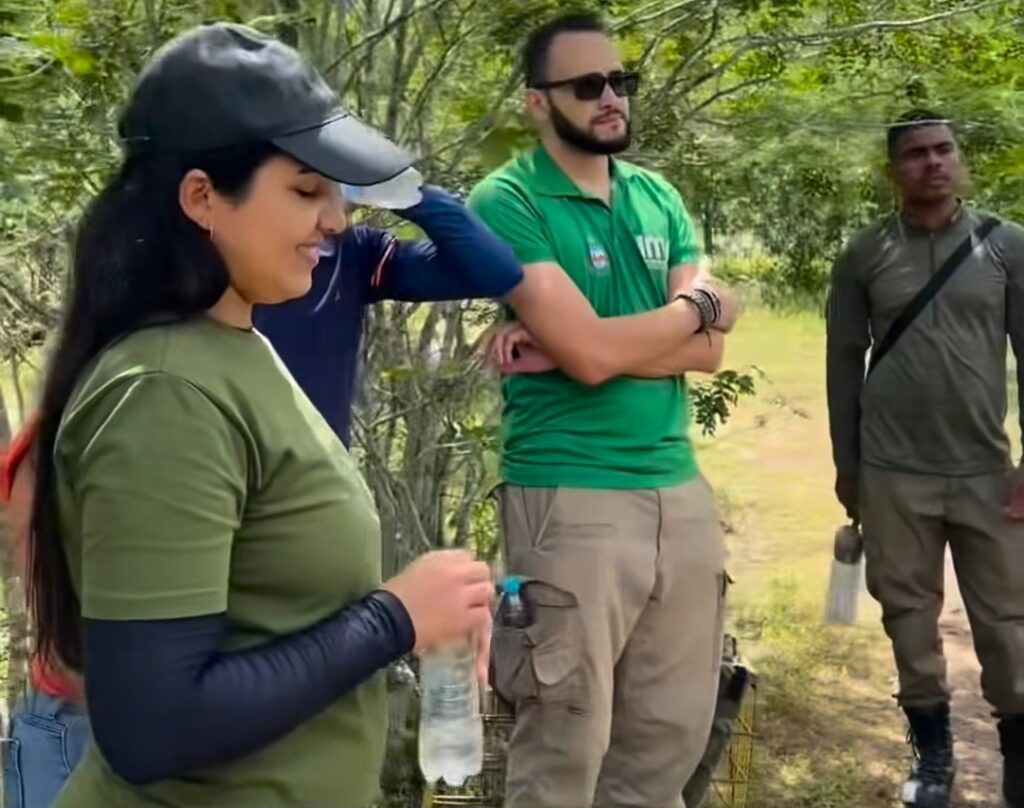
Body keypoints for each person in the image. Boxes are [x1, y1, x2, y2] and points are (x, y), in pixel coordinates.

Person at [25, 22, 497, 807]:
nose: (337, 222)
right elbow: (153, 728)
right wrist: (394, 619)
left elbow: (268, 608)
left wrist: (419, 610)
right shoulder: (165, 391)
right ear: (203, 198)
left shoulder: (238, 344)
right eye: (307, 191)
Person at [467, 12, 738, 808]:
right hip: (570, 497)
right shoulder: (509, 198)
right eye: (588, 85)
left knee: (667, 739)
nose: (611, 97)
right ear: (537, 104)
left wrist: (588, 343)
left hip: (680, 494)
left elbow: (707, 352)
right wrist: (690, 313)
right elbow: (620, 347)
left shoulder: (658, 196)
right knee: (563, 743)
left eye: (621, 81)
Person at [826, 109, 1024, 808]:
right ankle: (934, 758)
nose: (933, 163)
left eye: (943, 150)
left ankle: (1018, 754)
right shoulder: (865, 254)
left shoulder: (1006, 247)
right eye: (915, 154)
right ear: (894, 171)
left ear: (959, 159)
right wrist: (848, 467)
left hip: (987, 475)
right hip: (892, 472)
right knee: (908, 620)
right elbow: (843, 364)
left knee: (1008, 624)